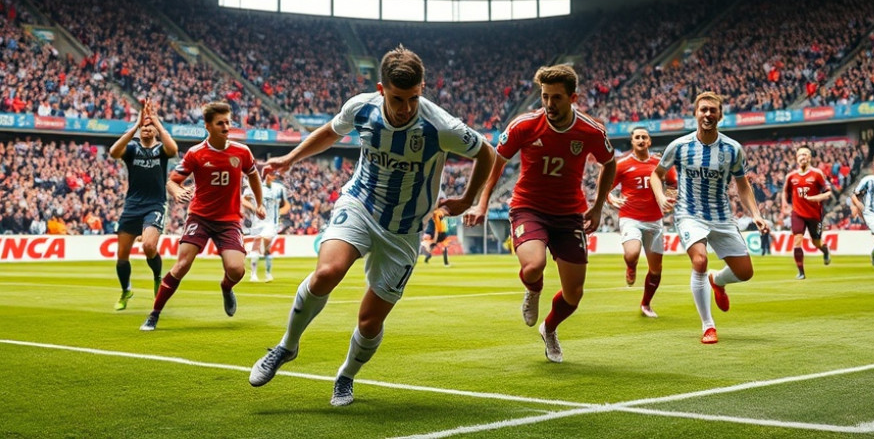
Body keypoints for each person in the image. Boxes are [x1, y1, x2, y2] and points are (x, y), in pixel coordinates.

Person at [248, 46, 495, 406]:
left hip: (405, 228)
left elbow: (485, 152)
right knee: (327, 272)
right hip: (360, 205)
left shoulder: (439, 125)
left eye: (413, 98)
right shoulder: (361, 107)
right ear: (382, 89)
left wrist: (470, 198)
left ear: (421, 88)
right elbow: (331, 132)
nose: (406, 107)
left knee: (369, 322)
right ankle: (286, 346)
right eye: (398, 98)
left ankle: (345, 377)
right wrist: (290, 158)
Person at [463, 64, 616, 363]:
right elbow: (497, 162)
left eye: (556, 97)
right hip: (528, 208)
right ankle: (532, 291)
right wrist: (482, 203)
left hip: (570, 213)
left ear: (573, 98)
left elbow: (609, 163)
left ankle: (549, 328)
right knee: (533, 266)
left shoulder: (590, 130)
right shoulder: (524, 125)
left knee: (574, 294)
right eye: (544, 96)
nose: (548, 104)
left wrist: (598, 206)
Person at [649, 91, 769, 345]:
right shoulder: (680, 146)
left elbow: (743, 186)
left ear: (720, 115)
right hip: (689, 214)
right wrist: (660, 197)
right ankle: (708, 325)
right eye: (703, 109)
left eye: (712, 110)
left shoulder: (733, 149)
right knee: (700, 261)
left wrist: (756, 215)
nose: (707, 114)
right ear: (695, 113)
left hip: (722, 216)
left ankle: (718, 280)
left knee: (745, 273)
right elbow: (656, 174)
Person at [139, 101, 265, 331]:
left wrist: (260, 203)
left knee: (237, 270)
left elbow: (254, 176)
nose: (226, 127)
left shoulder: (242, 152)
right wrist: (177, 192)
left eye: (228, 122)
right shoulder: (196, 154)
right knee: (182, 265)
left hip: (229, 221)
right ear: (208, 126)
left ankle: (226, 288)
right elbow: (173, 181)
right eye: (220, 123)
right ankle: (154, 314)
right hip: (200, 218)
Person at [108, 101, 178, 311]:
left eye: (150, 126)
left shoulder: (161, 150)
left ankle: (157, 277)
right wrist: (135, 125)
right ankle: (125, 290)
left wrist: (155, 120)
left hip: (154, 205)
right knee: (122, 257)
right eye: (144, 127)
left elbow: (173, 149)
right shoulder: (132, 149)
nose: (146, 129)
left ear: (156, 129)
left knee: (148, 246)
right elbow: (113, 152)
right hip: (132, 206)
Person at [607, 127, 676, 318]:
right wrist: (611, 199)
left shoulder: (659, 163)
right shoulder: (622, 164)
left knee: (656, 269)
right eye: (637, 137)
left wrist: (670, 197)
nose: (640, 140)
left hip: (655, 220)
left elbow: (672, 183)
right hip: (631, 217)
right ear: (632, 141)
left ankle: (646, 304)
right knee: (632, 253)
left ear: (649, 141)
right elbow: (607, 187)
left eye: (644, 137)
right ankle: (631, 266)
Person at [781, 146, 832, 279]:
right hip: (797, 213)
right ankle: (801, 272)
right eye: (800, 155)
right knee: (797, 240)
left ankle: (825, 249)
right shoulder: (791, 176)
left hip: (815, 214)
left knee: (816, 243)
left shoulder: (817, 174)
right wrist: (785, 205)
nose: (802, 157)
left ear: (810, 158)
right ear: (797, 159)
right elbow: (785, 191)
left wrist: (816, 198)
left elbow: (828, 192)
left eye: (805, 154)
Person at [242, 171, 289, 282]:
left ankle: (267, 273)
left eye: (274, 175)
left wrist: (278, 211)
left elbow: (286, 205)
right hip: (257, 222)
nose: (273, 176)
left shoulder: (279, 188)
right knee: (257, 244)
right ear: (265, 175)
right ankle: (254, 275)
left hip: (271, 223)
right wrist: (255, 209)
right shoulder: (253, 186)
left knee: (266, 246)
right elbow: (243, 200)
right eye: (271, 174)